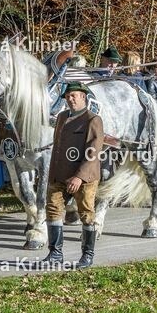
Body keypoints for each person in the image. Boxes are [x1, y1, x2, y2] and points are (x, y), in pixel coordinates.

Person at [39, 82, 105, 269]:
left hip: (84, 178)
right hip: (59, 175)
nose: (70, 99)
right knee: (53, 211)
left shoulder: (93, 120)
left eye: (74, 95)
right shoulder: (61, 117)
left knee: (86, 214)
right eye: (67, 96)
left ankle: (87, 255)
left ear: (83, 97)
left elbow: (93, 152)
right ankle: (55, 254)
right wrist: (52, 175)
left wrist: (79, 177)